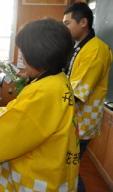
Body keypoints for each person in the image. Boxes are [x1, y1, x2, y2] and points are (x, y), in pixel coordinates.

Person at [0, 18, 79, 191]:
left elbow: (3, 136)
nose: (22, 59)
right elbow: (18, 113)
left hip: (36, 182)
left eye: (24, 53)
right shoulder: (57, 81)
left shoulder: (43, 91)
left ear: (39, 54)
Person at [63, 3, 112, 191]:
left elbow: (77, 93)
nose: (64, 27)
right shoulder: (80, 47)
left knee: (69, 169)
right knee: (68, 168)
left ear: (83, 22)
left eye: (67, 23)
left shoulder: (96, 50)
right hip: (74, 120)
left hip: (82, 123)